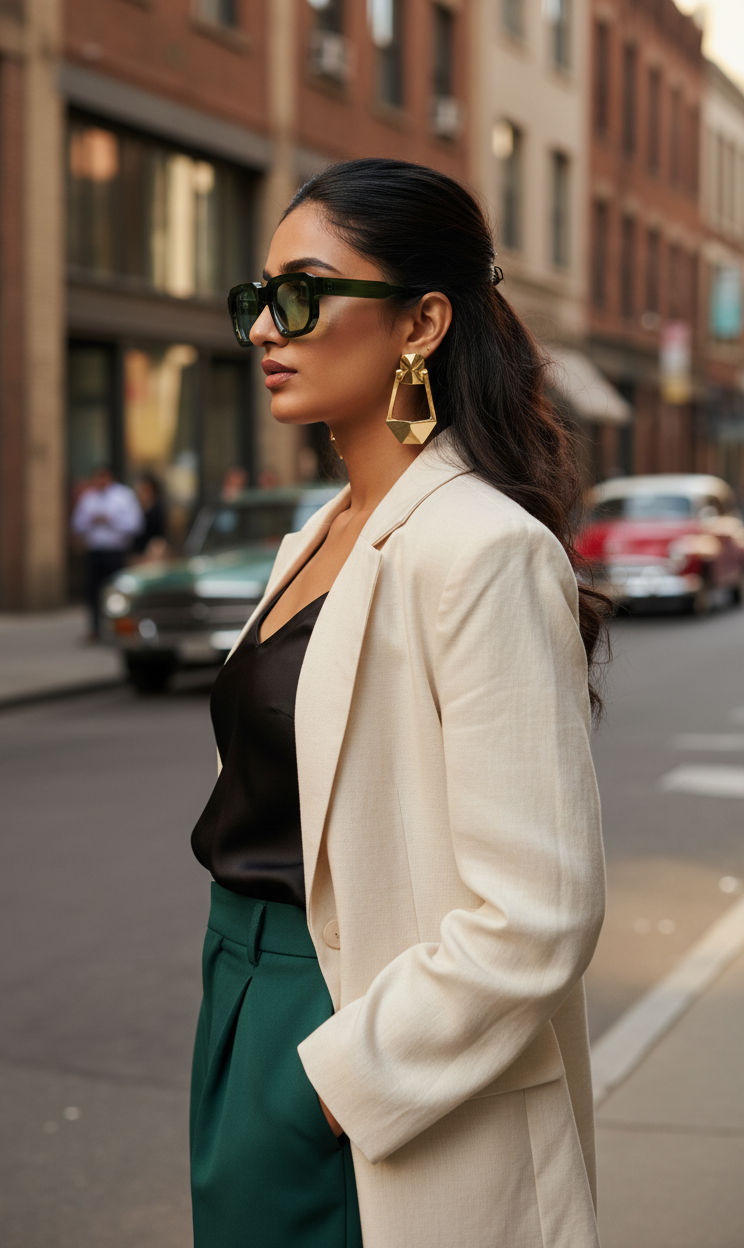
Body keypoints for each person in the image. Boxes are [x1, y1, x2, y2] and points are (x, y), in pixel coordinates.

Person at [189, 159, 609, 1248]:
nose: (264, 330)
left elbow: (537, 912)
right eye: (257, 298)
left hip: (357, 1043)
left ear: (420, 320)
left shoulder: (480, 550)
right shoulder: (313, 537)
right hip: (239, 997)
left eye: (302, 294)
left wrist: (332, 1087)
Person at [71, 465, 143, 640]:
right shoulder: (89, 497)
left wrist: (111, 520)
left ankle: (119, 629)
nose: (100, 481)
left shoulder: (123, 496)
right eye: (97, 478)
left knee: (116, 593)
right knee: (93, 592)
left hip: (115, 551)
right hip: (95, 551)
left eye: (103, 477)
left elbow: (135, 524)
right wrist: (91, 520)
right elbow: (76, 524)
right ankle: (95, 629)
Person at [132, 472, 167, 559]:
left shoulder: (157, 508)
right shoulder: (135, 506)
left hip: (153, 547)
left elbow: (160, 531)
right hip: (137, 547)